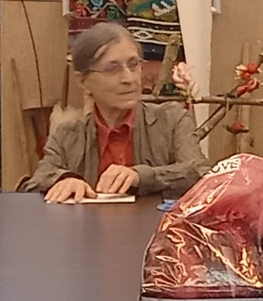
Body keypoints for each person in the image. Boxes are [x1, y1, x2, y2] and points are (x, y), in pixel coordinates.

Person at [22, 22, 206, 204]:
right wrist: (64, 179)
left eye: (133, 65)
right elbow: (37, 182)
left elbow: (200, 172)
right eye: (112, 69)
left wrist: (141, 176)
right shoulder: (67, 135)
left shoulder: (171, 119)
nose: (129, 78)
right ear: (83, 81)